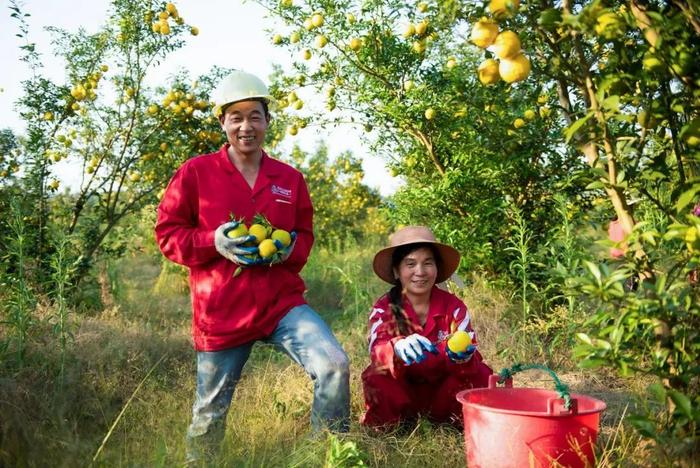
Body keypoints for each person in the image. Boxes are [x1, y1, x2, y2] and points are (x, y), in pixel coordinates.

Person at [154, 70, 350, 462]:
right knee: (210, 413)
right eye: (236, 117)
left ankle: (327, 456)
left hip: (280, 303)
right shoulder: (196, 173)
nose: (247, 126)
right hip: (222, 308)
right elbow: (168, 234)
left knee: (334, 364)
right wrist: (214, 241)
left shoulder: (289, 179)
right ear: (223, 122)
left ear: (268, 121)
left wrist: (288, 249)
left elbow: (305, 235)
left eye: (255, 116)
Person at [360, 226, 493, 428]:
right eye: (410, 264)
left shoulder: (454, 307)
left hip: (443, 397)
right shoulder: (383, 309)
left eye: (428, 263)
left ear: (437, 268)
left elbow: (470, 352)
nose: (420, 272)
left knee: (482, 372)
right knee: (375, 374)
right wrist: (395, 349)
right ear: (397, 270)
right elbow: (376, 352)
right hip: (403, 394)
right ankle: (390, 427)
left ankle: (457, 423)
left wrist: (463, 357)